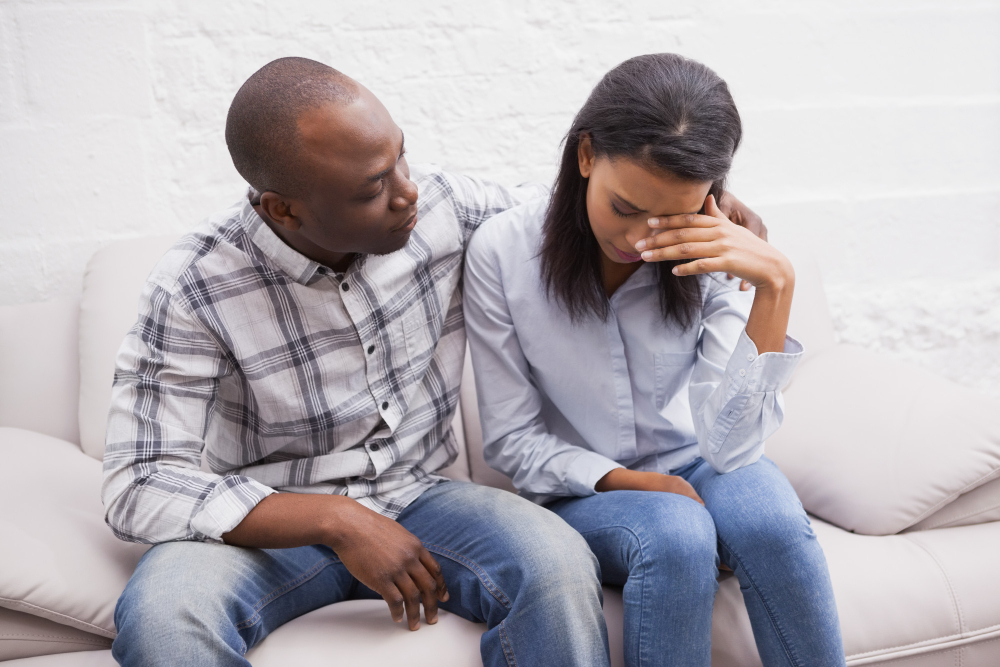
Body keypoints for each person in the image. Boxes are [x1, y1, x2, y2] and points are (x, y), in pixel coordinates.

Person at [102, 56, 765, 666]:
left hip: (421, 499)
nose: (408, 193)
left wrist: (697, 210)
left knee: (556, 562)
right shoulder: (193, 285)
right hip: (267, 525)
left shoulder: (447, 210)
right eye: (372, 188)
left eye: (401, 161)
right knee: (161, 619)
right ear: (284, 208)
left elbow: (575, 213)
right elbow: (137, 481)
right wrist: (336, 520)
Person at [464, 53, 846, 667]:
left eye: (670, 215)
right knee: (675, 534)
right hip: (583, 489)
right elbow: (512, 441)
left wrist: (773, 287)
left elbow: (729, 449)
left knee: (771, 525)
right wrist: (635, 483)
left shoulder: (718, 251)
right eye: (624, 207)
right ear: (586, 155)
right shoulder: (503, 253)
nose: (642, 238)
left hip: (700, 462)